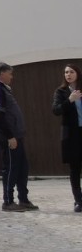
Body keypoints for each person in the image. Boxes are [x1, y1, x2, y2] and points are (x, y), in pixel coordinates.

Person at [0, 62, 35, 211]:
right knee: (11, 168)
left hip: (16, 135)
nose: (12, 77)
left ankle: (23, 199)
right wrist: (9, 136)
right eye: (9, 73)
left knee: (22, 168)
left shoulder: (3, 88)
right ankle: (8, 201)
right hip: (8, 137)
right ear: (1, 73)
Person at [51, 64, 82, 213]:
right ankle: (78, 201)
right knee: (75, 169)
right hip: (72, 135)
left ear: (77, 73)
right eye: (66, 72)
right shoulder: (61, 91)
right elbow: (56, 110)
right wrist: (69, 100)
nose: (68, 74)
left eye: (71, 72)